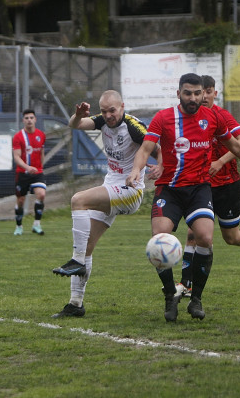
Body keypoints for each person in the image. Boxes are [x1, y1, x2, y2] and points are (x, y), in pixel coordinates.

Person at [125, 73, 240, 323]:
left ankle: (196, 298)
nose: (193, 98)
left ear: (203, 94)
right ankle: (170, 295)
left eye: (197, 93)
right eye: (187, 93)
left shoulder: (212, 117)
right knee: (159, 239)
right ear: (178, 94)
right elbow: (146, 149)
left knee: (206, 238)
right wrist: (136, 170)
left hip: (199, 189)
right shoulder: (163, 118)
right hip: (170, 189)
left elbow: (237, 146)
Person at [50, 90, 160, 318]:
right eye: (104, 111)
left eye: (113, 110)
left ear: (122, 106)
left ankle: (77, 262)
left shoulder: (133, 127)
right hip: (112, 186)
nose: (108, 115)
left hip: (129, 191)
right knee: (86, 246)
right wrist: (78, 115)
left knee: (78, 200)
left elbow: (159, 150)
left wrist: (160, 167)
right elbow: (74, 125)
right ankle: (75, 304)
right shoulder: (102, 121)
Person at [178, 76, 240, 300]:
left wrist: (221, 162)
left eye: (208, 91)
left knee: (231, 237)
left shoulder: (221, 116)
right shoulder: (191, 117)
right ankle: (186, 283)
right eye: (200, 92)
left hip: (227, 185)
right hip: (202, 187)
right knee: (193, 233)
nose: (203, 96)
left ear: (215, 93)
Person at [12, 109, 47, 236]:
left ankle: (36, 224)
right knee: (20, 200)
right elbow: (16, 157)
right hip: (23, 173)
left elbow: (42, 152)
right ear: (23, 120)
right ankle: (19, 226)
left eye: (31, 117)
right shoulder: (18, 137)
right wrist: (27, 167)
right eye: (26, 118)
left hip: (37, 173)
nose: (29, 120)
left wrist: (40, 167)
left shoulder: (41, 135)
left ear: (35, 119)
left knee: (41, 195)